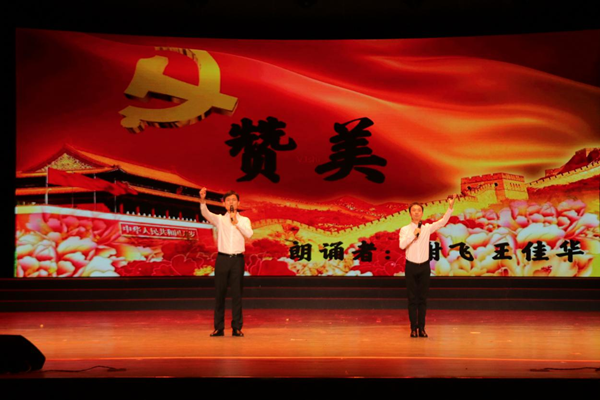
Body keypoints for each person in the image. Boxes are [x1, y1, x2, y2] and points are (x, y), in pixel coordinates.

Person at [399, 194, 456, 338]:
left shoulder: (427, 228)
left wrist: (450, 207)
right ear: (410, 213)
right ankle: (413, 328)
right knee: (412, 299)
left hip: (424, 267)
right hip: (411, 267)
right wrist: (413, 235)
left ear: (422, 213)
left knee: (422, 299)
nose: (416, 212)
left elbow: (442, 222)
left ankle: (422, 328)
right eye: (414, 210)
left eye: (419, 210)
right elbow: (402, 245)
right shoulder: (405, 230)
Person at [200, 187, 253, 337]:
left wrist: (236, 221)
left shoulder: (244, 220)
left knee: (237, 294)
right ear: (224, 204)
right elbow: (206, 213)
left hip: (237, 260)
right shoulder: (220, 219)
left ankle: (237, 327)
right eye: (228, 200)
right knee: (220, 293)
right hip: (222, 259)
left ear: (238, 203)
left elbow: (249, 234)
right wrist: (203, 200)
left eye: (233, 200)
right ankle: (219, 327)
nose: (231, 202)